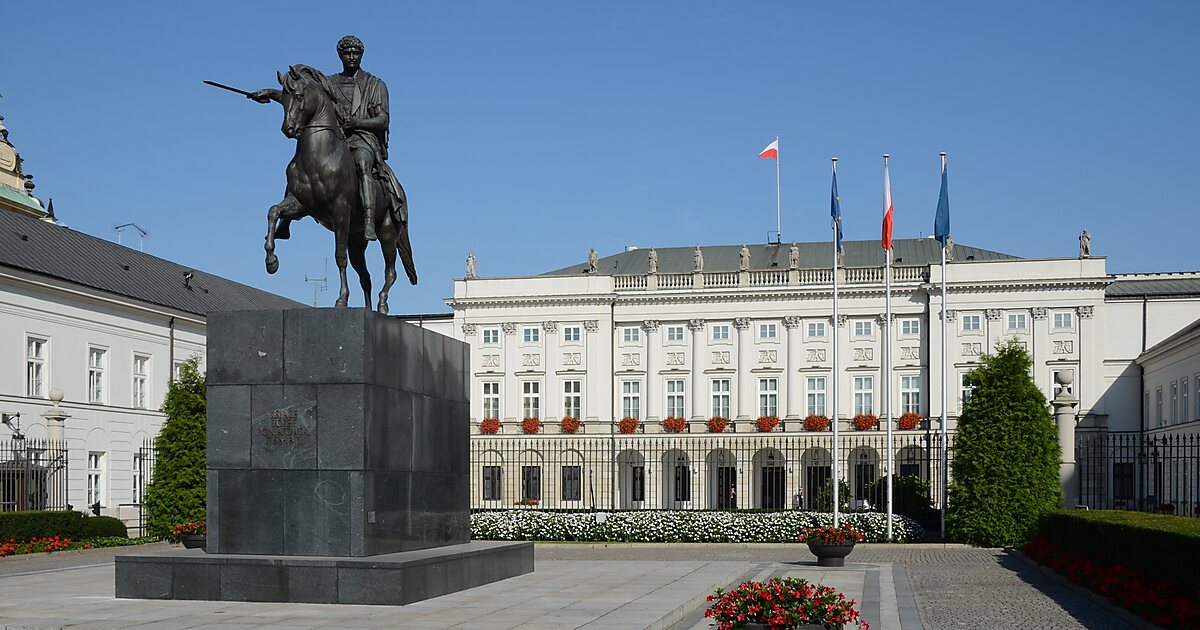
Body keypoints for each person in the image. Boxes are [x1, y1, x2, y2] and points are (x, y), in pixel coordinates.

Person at [250, 35, 402, 242]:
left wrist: (356, 123)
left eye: (355, 53)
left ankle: (368, 221)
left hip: (361, 138)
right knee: (299, 165)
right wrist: (270, 93)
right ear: (340, 55)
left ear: (361, 55)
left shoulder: (375, 85)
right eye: (347, 53)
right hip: (333, 138)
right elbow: (300, 96)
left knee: (363, 163)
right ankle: (286, 222)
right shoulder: (328, 83)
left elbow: (382, 120)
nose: (351, 57)